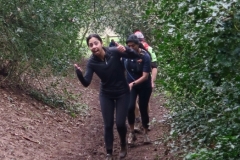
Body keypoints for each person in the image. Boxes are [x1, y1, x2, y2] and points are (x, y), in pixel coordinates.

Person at [74, 34, 140, 160]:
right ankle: (109, 152)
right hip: (106, 94)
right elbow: (86, 83)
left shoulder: (114, 52)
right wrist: (79, 74)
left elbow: (135, 56)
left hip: (122, 92)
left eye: (96, 43)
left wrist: (126, 49)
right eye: (91, 45)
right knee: (108, 124)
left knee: (120, 123)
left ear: (101, 43)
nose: (94, 47)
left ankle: (123, 145)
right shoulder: (92, 62)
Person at [122, 34, 152, 145]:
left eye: (133, 45)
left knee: (143, 108)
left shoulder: (145, 56)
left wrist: (132, 83)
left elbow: (145, 76)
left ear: (138, 44)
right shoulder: (125, 56)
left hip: (144, 85)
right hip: (131, 86)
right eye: (128, 46)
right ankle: (132, 132)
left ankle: (145, 133)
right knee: (130, 108)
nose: (130, 48)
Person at [133, 30, 158, 132]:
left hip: (145, 78)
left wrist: (152, 81)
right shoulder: (131, 49)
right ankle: (138, 120)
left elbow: (154, 66)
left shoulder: (149, 49)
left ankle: (144, 121)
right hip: (134, 78)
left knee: (144, 101)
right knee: (134, 101)